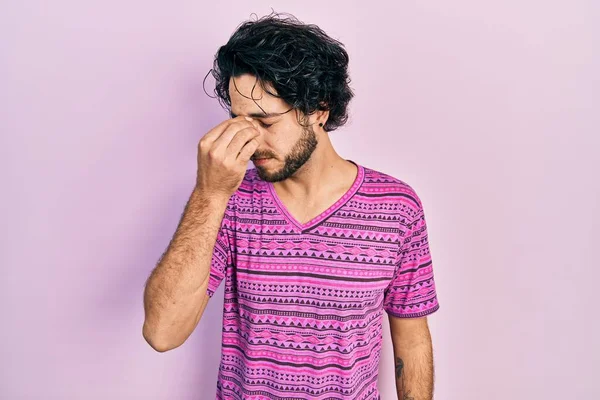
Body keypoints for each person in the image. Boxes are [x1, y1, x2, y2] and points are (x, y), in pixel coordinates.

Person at [143, 12, 440, 400]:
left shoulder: (397, 207)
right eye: (238, 120)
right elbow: (162, 333)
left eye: (265, 121)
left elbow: (412, 340)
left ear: (319, 108)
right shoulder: (226, 199)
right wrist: (209, 194)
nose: (250, 141)